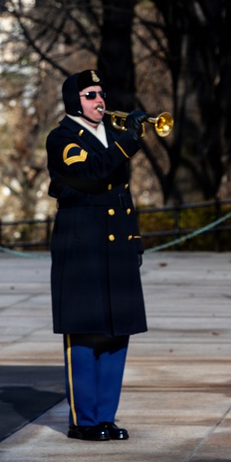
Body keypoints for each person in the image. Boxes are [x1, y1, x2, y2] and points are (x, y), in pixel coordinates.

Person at [46, 69, 149, 442]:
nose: (100, 100)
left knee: (116, 333)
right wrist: (128, 141)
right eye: (90, 95)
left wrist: (134, 240)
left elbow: (122, 192)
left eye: (101, 94)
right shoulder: (62, 138)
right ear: (75, 100)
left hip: (116, 243)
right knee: (86, 333)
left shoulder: (110, 135)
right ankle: (84, 419)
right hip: (82, 245)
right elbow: (91, 173)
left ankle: (106, 416)